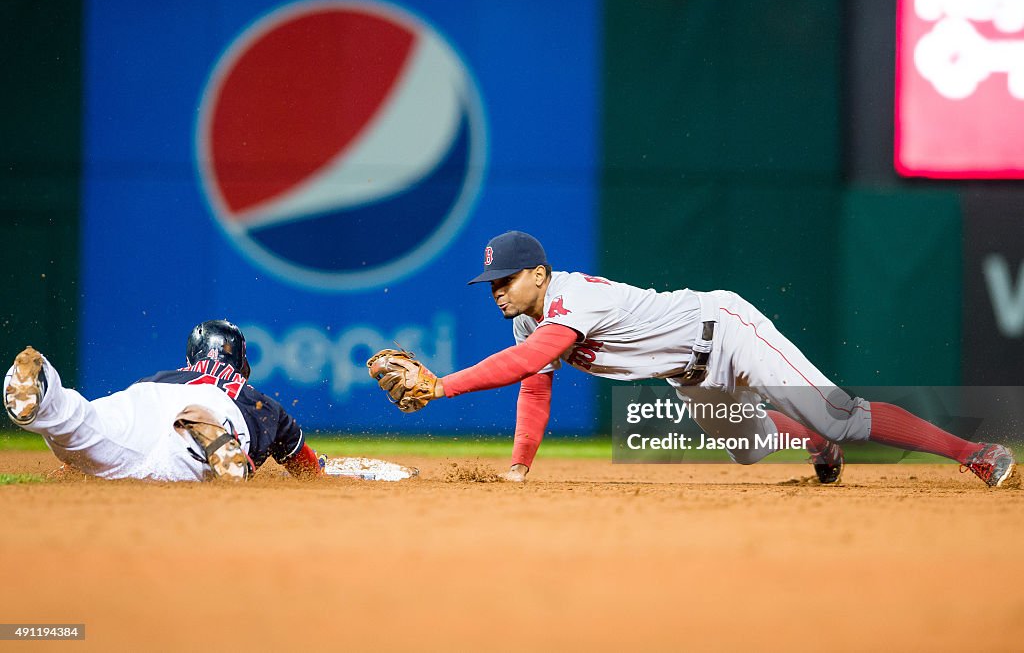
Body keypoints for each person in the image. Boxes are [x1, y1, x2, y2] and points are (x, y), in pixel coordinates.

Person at [372, 230, 1016, 486]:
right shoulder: (529, 321)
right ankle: (820, 444)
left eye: (506, 282)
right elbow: (533, 388)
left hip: (725, 329)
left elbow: (534, 358)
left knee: (843, 413)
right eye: (492, 286)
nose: (498, 293)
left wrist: (443, 385)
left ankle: (977, 456)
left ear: (539, 274)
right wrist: (518, 470)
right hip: (693, 373)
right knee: (751, 449)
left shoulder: (572, 297)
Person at [3, 320, 323, 482]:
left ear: (190, 357)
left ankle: (48, 396)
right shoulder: (257, 401)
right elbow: (306, 469)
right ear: (242, 363)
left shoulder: (157, 378)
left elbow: (95, 448)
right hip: (216, 409)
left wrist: (76, 464)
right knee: (182, 459)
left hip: (145, 401)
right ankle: (205, 431)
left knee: (86, 425)